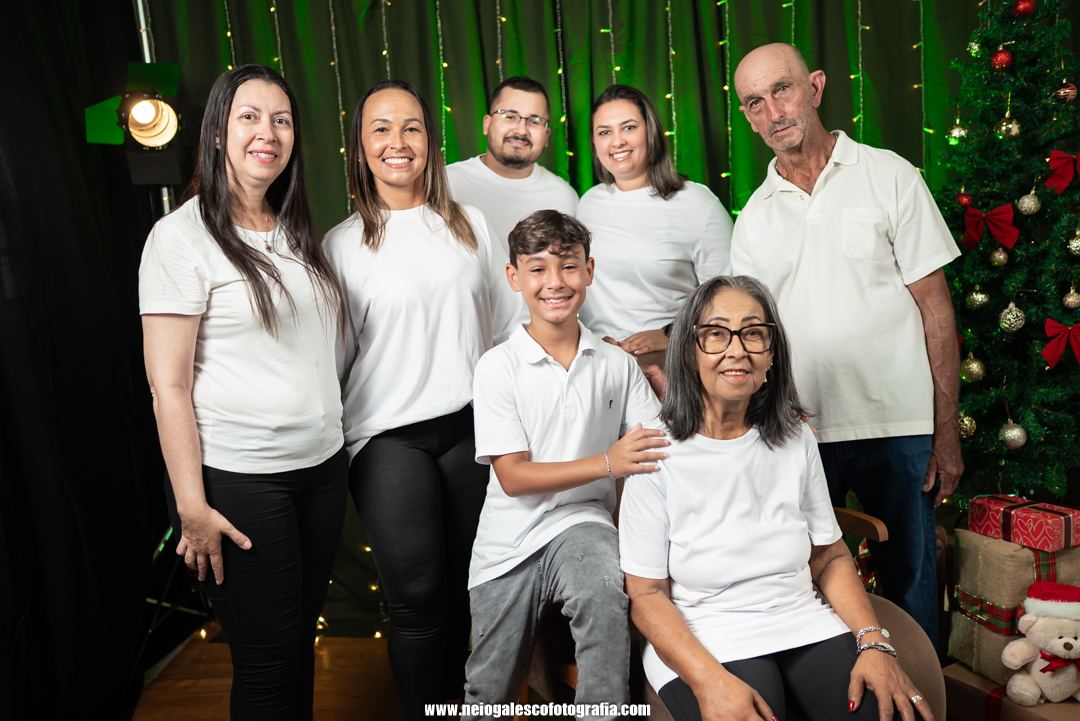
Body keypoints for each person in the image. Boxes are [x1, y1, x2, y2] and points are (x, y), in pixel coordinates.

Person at [729, 43, 962, 644]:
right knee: (807, 589)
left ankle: (920, 688)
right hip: (800, 432)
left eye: (782, 89)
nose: (773, 111)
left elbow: (937, 310)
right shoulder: (752, 218)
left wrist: (945, 430)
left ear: (815, 87)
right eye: (754, 103)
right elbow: (752, 339)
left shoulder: (890, 175)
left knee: (909, 579)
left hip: (899, 423)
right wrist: (769, 419)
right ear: (748, 118)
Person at [620, 275, 934, 721]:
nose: (736, 349)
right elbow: (647, 593)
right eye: (716, 333)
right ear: (689, 351)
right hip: (707, 629)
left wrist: (873, 642)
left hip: (799, 617)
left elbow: (830, 556)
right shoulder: (653, 450)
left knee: (887, 714)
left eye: (753, 333)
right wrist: (707, 680)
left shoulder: (795, 438)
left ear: (771, 354)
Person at [139, 64, 348, 719]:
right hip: (241, 481)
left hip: (321, 471)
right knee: (267, 664)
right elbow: (168, 385)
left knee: (297, 647)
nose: (269, 132)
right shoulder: (180, 238)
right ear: (216, 132)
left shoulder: (294, 230)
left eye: (281, 120)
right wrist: (191, 506)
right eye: (250, 117)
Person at [323, 79, 519, 720]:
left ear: (430, 141)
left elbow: (507, 329)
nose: (397, 141)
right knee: (416, 598)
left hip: (470, 429)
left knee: (469, 590)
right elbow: (333, 359)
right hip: (387, 439)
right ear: (360, 145)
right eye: (380, 128)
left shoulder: (470, 225)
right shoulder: (340, 245)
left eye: (410, 127)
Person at [462, 210, 665, 718]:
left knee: (603, 594)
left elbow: (661, 448)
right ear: (514, 277)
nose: (555, 282)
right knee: (489, 687)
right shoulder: (497, 367)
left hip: (583, 521)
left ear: (589, 271)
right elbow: (513, 477)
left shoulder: (617, 364)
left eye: (569, 266)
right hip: (507, 543)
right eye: (538, 268)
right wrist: (607, 463)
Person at [577, 84, 733, 362]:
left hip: (670, 361)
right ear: (594, 142)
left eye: (628, 127)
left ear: (650, 132)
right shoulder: (588, 202)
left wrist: (671, 334)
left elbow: (729, 296)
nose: (617, 141)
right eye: (604, 132)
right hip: (597, 361)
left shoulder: (697, 202)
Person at [446, 76, 579, 245]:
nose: (521, 130)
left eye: (534, 121)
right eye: (509, 116)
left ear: (546, 136)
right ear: (487, 124)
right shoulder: (446, 183)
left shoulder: (564, 197)